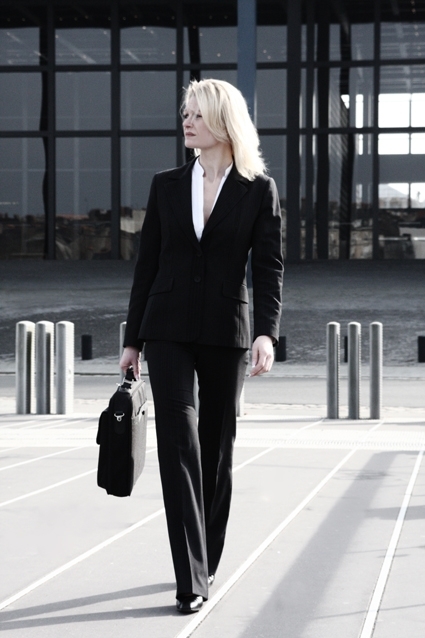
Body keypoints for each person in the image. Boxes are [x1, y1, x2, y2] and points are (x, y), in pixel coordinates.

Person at [120, 78, 283, 614]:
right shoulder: (166, 184)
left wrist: (266, 332)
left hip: (225, 331)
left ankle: (206, 555)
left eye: (196, 114)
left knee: (216, 449)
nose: (186, 121)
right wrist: (132, 341)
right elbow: (147, 265)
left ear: (222, 120)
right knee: (178, 444)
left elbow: (268, 267)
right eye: (185, 113)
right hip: (166, 328)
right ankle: (190, 577)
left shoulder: (257, 189)